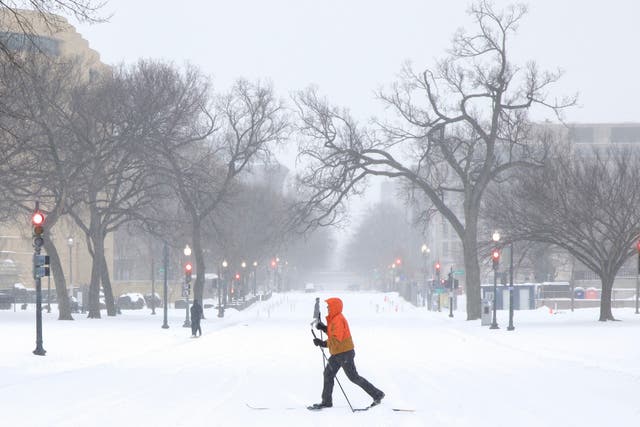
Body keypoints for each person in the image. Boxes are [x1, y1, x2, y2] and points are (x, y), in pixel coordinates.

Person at [310, 297, 384, 409]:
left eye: (329, 306)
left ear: (334, 307)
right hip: (337, 353)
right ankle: (326, 402)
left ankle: (377, 394)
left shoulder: (338, 320)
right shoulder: (335, 319)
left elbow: (336, 339)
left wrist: (322, 343)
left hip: (345, 353)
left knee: (353, 377)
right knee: (328, 374)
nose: (327, 308)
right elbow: (333, 332)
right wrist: (323, 327)